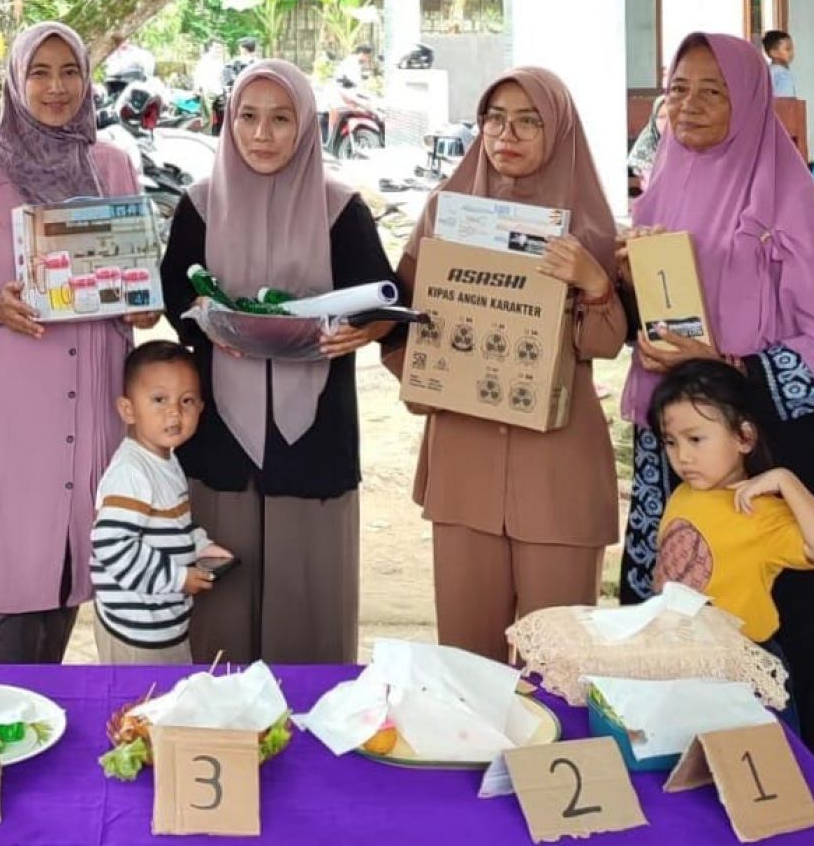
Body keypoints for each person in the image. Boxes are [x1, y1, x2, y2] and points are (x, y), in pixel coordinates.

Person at [617, 32, 814, 799]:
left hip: (760, 451)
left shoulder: (788, 198)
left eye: (711, 90)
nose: (688, 105)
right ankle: (669, 798)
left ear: (751, 99)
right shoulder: (663, 180)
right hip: (677, 446)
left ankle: (798, 806)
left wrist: (729, 366)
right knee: (670, 607)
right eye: (677, 88)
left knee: (777, 634)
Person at [0, 22, 156, 664]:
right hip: (7, 412)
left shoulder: (111, 165)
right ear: (17, 83)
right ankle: (13, 721)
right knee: (14, 579)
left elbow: (135, 273)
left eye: (69, 71)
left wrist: (139, 296)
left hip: (91, 400)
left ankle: (45, 719)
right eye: (39, 73)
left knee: (75, 561)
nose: (56, 87)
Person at [161, 59, 398, 664]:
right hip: (218, 432)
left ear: (306, 127)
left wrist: (361, 333)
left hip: (313, 433)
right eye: (248, 116)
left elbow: (385, 301)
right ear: (228, 122)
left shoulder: (340, 208)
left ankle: (310, 733)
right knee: (221, 601)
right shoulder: (200, 205)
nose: (261, 134)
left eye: (280, 119)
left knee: (307, 604)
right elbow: (173, 293)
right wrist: (205, 315)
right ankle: (221, 728)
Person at [387, 68, 625, 664]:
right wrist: (428, 377)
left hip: (557, 471)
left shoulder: (591, 230)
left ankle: (549, 764)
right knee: (467, 668)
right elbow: (399, 321)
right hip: (463, 465)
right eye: (493, 118)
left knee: (557, 667)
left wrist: (595, 284)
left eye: (527, 120)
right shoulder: (445, 215)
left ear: (560, 130)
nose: (506, 134)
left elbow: (605, 344)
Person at [649, 360, 814, 729]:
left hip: (742, 675)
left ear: (744, 437)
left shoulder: (761, 511)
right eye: (671, 442)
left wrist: (785, 481)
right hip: (681, 664)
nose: (683, 456)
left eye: (696, 439)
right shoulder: (683, 494)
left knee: (756, 776)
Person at [90, 341, 233, 664]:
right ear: (128, 409)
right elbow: (112, 545)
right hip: (135, 631)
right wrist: (178, 578)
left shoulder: (165, 460)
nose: (174, 412)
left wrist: (200, 546)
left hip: (163, 622)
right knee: (141, 710)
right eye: (159, 400)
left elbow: (176, 521)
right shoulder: (131, 472)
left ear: (201, 407)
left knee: (166, 705)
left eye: (187, 401)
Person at [325, 43, 374, 146]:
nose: (368, 59)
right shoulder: (351, 62)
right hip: (338, 92)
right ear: (362, 54)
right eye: (367, 56)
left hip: (345, 92)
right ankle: (329, 139)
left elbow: (357, 85)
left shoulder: (356, 64)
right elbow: (352, 82)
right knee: (337, 111)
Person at [627, 95, 667, 194]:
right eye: (662, 117)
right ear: (654, 119)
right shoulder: (647, 143)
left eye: (672, 117)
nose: (666, 122)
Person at [762, 30, 796, 97]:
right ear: (774, 53)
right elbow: (786, 101)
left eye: (792, 49)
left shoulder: (767, 71)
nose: (792, 53)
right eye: (787, 49)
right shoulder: (782, 74)